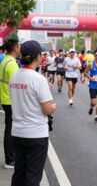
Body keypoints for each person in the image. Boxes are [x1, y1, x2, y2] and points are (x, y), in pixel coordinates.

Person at [9, 40, 56, 185]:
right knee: (33, 176)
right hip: (36, 135)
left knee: (19, 173)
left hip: (17, 133)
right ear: (37, 57)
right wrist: (54, 107)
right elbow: (47, 109)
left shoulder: (14, 76)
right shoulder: (39, 79)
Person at [0, 39, 20, 169]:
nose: (20, 49)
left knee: (9, 129)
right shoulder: (12, 64)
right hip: (11, 100)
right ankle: (10, 160)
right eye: (19, 47)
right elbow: (17, 84)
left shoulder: (4, 61)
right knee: (11, 130)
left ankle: (10, 157)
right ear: (15, 48)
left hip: (5, 99)